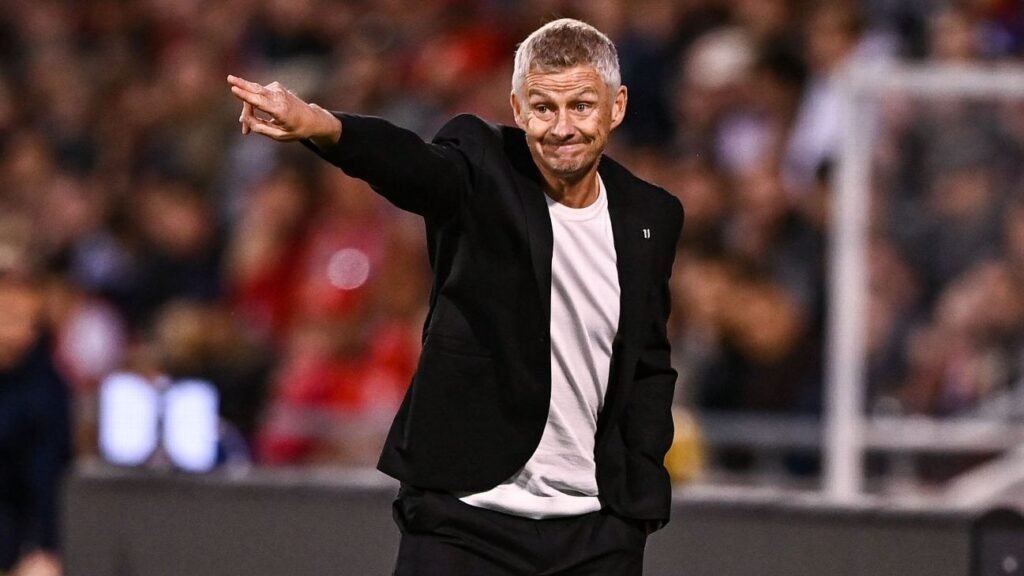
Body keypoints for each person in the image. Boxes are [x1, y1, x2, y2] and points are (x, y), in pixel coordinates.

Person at [228, 18, 683, 575]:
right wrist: (325, 127)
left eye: (581, 106)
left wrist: (636, 498)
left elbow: (647, 360)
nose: (562, 127)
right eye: (544, 107)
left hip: (594, 535)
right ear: (517, 108)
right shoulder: (483, 164)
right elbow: (415, 166)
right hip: (466, 522)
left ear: (617, 107)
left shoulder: (651, 215)